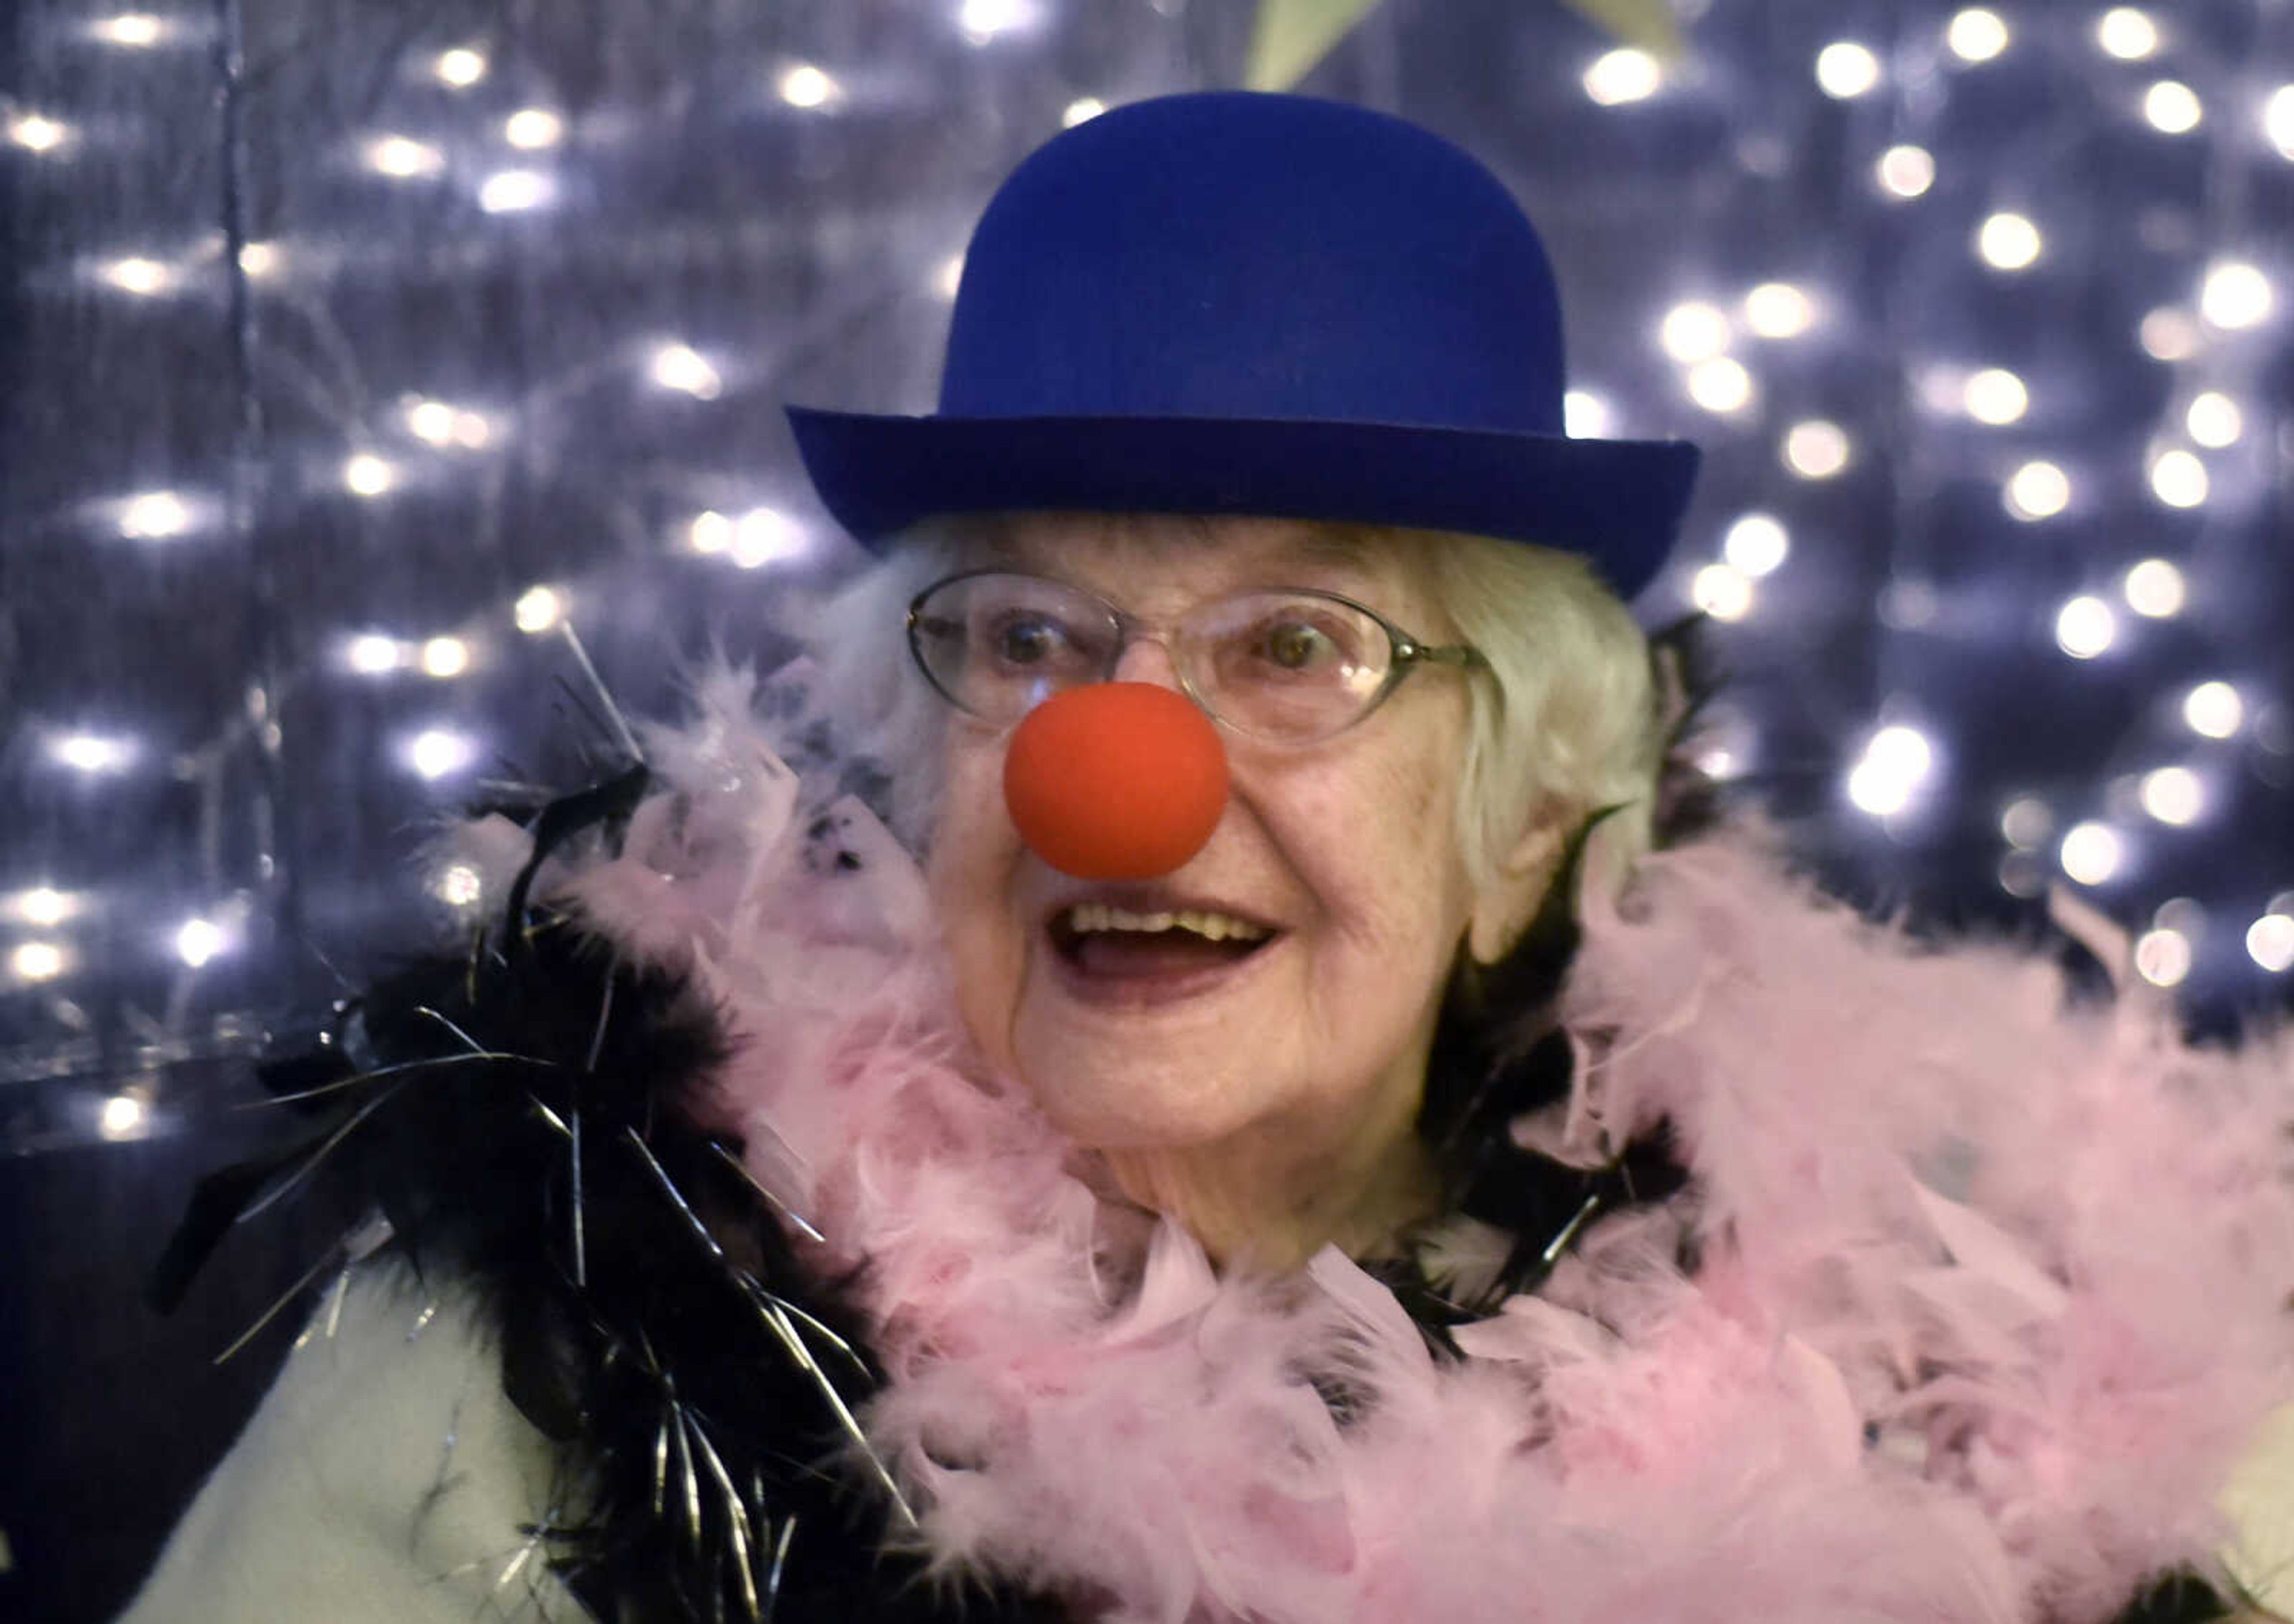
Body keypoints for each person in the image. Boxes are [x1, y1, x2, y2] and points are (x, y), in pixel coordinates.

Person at [124, 91, 2293, 1624]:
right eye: (1032, 639)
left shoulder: (1951, 1334)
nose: (1120, 768)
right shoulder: (543, 1347)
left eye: (1300, 643)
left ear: (1526, 815)